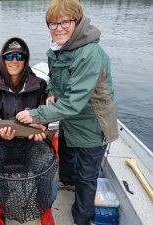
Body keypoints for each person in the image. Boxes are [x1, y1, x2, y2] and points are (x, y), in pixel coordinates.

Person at [16, 1, 119, 225]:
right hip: (70, 122)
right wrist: (51, 92)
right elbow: (55, 79)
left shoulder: (90, 54)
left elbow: (73, 102)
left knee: (87, 176)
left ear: (77, 22)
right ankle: (66, 182)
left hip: (93, 125)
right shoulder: (57, 50)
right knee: (67, 157)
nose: (58, 28)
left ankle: (81, 218)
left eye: (65, 22)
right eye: (53, 23)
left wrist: (36, 115)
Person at [0, 37, 57, 225]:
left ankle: (44, 205)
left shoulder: (40, 86)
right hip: (0, 142)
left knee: (48, 162)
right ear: (2, 59)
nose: (14, 60)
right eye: (9, 56)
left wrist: (43, 129)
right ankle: (1, 204)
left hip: (31, 141)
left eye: (20, 56)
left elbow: (44, 117)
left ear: (26, 59)